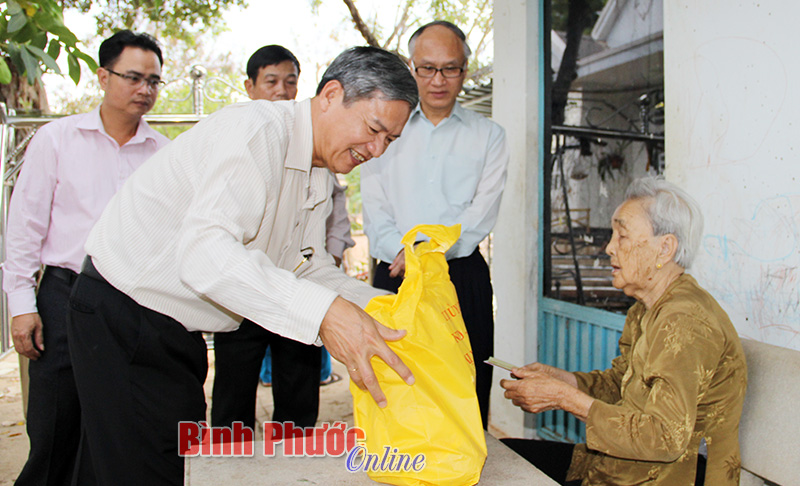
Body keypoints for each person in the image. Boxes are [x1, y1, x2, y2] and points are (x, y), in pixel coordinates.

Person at [66, 46, 418, 485]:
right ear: (330, 94)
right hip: (125, 317)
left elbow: (304, 267)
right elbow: (206, 254)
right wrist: (326, 315)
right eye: (373, 129)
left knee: (125, 464)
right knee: (150, 468)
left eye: (390, 140)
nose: (377, 149)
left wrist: (385, 309)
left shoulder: (319, 170)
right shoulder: (257, 132)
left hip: (175, 330)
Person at [500, 177, 748, 486]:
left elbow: (665, 437)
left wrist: (564, 399)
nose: (609, 247)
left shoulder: (684, 321)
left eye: (622, 235)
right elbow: (622, 384)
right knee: (498, 457)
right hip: (622, 468)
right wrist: (562, 381)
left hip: (668, 477)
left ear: (665, 248)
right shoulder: (645, 308)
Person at [3, 30, 168, 485]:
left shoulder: (163, 155)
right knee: (56, 425)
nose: (145, 90)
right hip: (65, 295)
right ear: (102, 76)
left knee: (114, 430)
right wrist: (21, 306)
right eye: (133, 77)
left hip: (132, 301)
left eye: (154, 81)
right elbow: (23, 231)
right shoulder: (57, 139)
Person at [361, 20, 509, 429]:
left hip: (460, 274)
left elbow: (481, 213)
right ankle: (397, 464)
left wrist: (427, 253)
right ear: (411, 68)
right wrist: (404, 252)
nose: (439, 80)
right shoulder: (385, 128)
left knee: (466, 383)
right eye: (427, 68)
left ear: (465, 70)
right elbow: (374, 206)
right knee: (393, 382)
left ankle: (463, 464)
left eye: (451, 68)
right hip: (395, 273)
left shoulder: (489, 136)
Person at [212, 45, 349, 431]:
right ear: (250, 87)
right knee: (233, 393)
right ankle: (229, 465)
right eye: (271, 81)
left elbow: (333, 215)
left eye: (290, 82)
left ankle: (296, 461)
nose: (282, 90)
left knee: (299, 389)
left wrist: (330, 260)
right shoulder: (242, 140)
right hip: (241, 297)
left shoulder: (316, 148)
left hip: (298, 288)